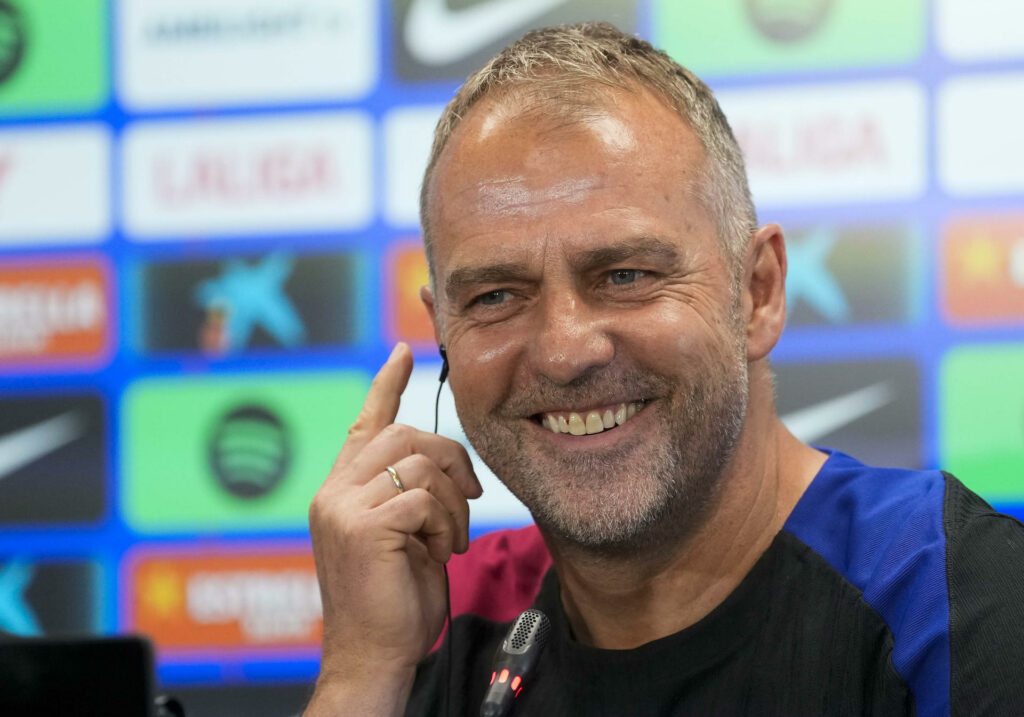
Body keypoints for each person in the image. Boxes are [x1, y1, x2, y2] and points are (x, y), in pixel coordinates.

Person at [304, 23, 1024, 716]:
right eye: (495, 296)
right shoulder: (436, 615)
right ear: (442, 333)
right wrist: (362, 671)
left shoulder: (953, 595)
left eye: (626, 275)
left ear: (758, 292)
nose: (564, 351)